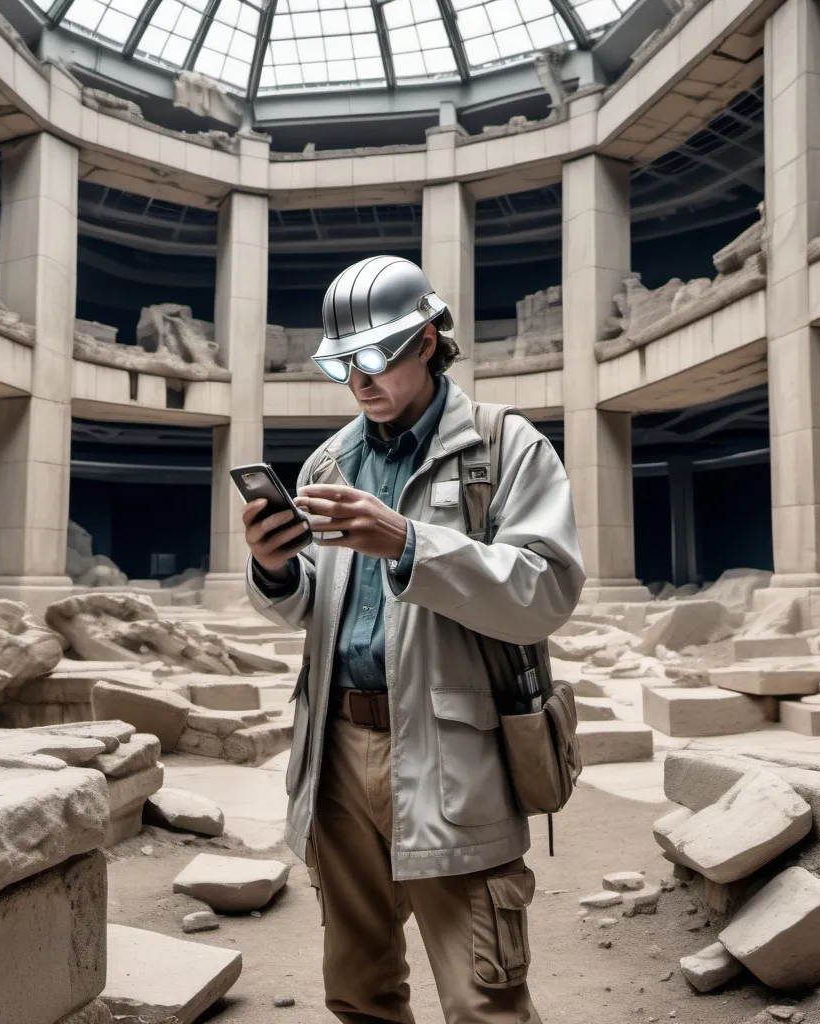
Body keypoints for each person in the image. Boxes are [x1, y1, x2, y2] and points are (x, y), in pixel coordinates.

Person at [242, 254, 585, 1024]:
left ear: (429, 341)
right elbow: (319, 611)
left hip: (451, 755)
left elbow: (548, 591)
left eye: (377, 356)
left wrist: (408, 543)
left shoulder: (505, 448)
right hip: (335, 754)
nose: (360, 380)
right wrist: (274, 571)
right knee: (358, 993)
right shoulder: (332, 459)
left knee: (483, 1001)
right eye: (342, 363)